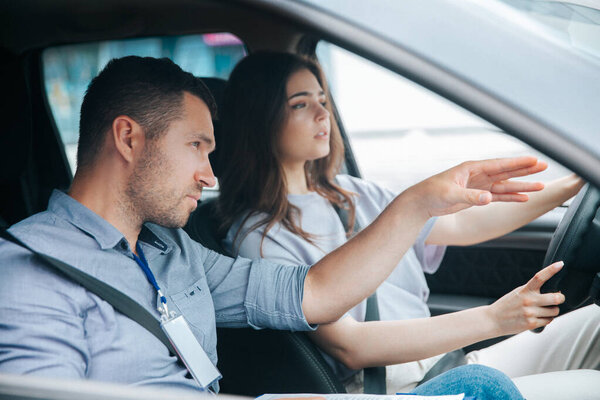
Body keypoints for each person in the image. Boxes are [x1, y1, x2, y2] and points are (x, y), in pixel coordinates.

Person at [0, 55, 546, 399]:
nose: (209, 173)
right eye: (196, 146)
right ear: (128, 138)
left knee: (480, 385)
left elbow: (315, 292)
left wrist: (419, 202)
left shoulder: (175, 252)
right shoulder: (28, 272)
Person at [217, 52, 600, 397]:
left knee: (596, 323)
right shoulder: (260, 236)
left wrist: (579, 180)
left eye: (322, 100)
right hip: (393, 388)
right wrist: (494, 318)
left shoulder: (352, 193)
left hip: (443, 363)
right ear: (260, 118)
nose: (322, 114)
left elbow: (468, 226)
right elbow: (352, 347)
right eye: (300, 104)